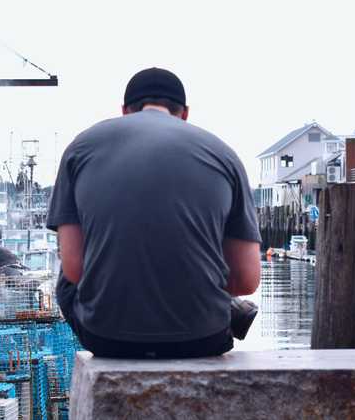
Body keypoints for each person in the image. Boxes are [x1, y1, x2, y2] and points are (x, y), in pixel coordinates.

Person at [48, 67, 261, 359]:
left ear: (125, 111)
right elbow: (246, 280)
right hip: (202, 338)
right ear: (184, 113)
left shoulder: (81, 147)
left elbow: (74, 268)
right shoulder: (223, 154)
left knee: (65, 272)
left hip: (108, 338)